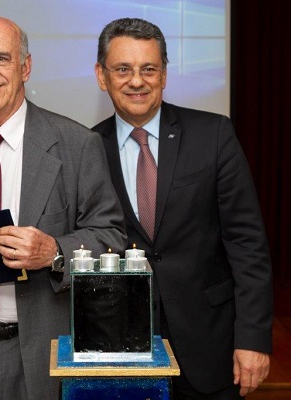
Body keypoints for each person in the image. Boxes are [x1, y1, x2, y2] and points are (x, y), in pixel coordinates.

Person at [0, 16, 126, 399]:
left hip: (36, 354)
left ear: (25, 67)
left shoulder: (76, 144)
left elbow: (112, 237)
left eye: (1, 58)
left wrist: (55, 251)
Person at [92, 17, 273, 399]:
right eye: (122, 69)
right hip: (120, 346)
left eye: (148, 69)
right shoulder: (86, 148)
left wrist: (253, 338)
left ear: (164, 75)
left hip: (209, 343)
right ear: (101, 76)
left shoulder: (214, 134)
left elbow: (247, 244)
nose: (136, 81)